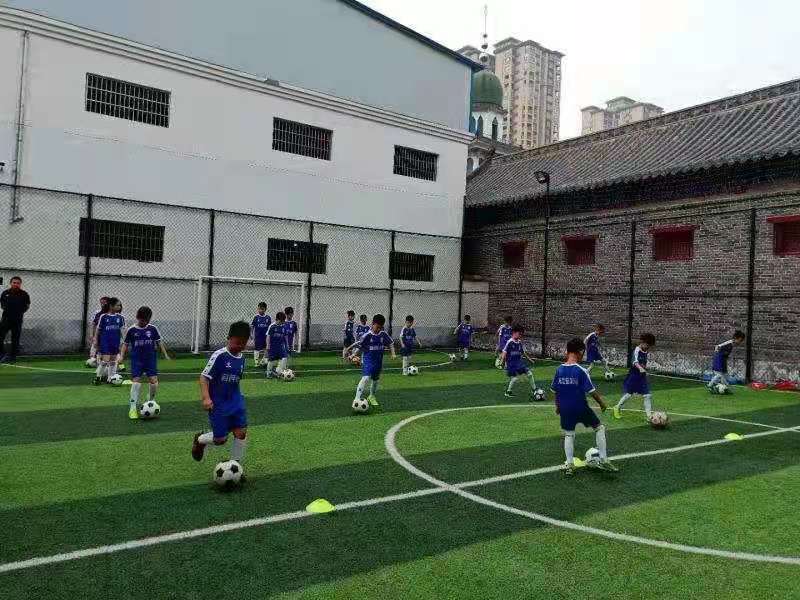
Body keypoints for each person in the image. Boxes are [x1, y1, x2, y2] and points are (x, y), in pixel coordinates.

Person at [551, 337, 618, 476]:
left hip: (565, 408)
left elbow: (556, 391)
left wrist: (557, 406)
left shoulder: (559, 370)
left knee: (569, 434)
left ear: (567, 351)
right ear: (580, 351)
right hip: (580, 407)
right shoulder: (581, 370)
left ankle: (570, 465)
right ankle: (603, 459)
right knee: (599, 428)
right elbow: (592, 391)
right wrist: (602, 403)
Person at [191, 321, 250, 467]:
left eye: (243, 343)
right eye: (237, 343)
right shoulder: (219, 356)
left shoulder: (242, 359)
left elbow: (235, 380)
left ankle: (236, 465)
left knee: (241, 432)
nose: (240, 346)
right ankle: (200, 440)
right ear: (229, 338)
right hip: (218, 404)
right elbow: (204, 377)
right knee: (220, 440)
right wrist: (206, 398)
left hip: (236, 401)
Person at [119, 306, 171, 420]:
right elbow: (125, 344)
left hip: (150, 359)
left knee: (154, 382)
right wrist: (122, 356)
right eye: (142, 320)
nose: (145, 322)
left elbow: (159, 342)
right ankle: (132, 408)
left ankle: (151, 400)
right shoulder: (131, 330)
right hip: (137, 360)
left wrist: (165, 354)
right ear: (138, 317)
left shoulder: (153, 329)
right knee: (136, 382)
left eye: (147, 320)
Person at [346, 314, 396, 407]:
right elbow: (359, 346)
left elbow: (391, 343)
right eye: (377, 327)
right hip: (368, 360)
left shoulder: (383, 334)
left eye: (380, 327)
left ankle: (371, 396)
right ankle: (357, 398)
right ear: (373, 324)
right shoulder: (367, 335)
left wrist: (393, 353)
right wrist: (352, 354)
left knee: (375, 380)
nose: (378, 329)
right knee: (365, 378)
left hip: (378, 362)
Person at [613, 333, 656, 420]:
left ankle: (649, 417)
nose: (648, 347)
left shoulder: (646, 351)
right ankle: (617, 407)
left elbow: (643, 363)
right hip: (633, 376)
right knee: (628, 394)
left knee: (647, 395)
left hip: (642, 377)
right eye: (647, 345)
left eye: (649, 346)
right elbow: (634, 361)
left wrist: (644, 369)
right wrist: (640, 368)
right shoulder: (637, 350)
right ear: (643, 342)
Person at [500, 324, 537, 400]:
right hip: (511, 364)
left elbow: (523, 353)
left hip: (519, 363)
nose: (520, 335)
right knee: (514, 379)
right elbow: (504, 352)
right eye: (519, 334)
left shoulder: (519, 342)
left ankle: (534, 389)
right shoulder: (509, 342)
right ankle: (508, 392)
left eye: (521, 334)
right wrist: (502, 363)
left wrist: (530, 359)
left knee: (530, 374)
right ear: (514, 332)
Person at [93, 297, 125, 384]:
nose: (119, 307)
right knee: (105, 360)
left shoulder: (120, 317)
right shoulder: (103, 316)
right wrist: (95, 339)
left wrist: (124, 341)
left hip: (115, 342)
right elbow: (98, 329)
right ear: (111, 306)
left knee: (113, 361)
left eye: (119, 305)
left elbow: (122, 330)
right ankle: (98, 377)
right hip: (105, 342)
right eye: (117, 305)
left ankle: (110, 378)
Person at [0, 276, 31, 363]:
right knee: (0, 336)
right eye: (14, 283)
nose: (16, 284)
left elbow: (27, 306)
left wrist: (19, 312)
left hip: (17, 320)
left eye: (18, 283)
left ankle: (12, 357)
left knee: (15, 339)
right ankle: (2, 354)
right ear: (11, 283)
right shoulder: (5, 293)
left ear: (20, 284)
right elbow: (2, 305)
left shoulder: (24, 294)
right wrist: (9, 310)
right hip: (6, 319)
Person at [86, 296, 110, 367]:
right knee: (94, 349)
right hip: (98, 335)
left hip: (107, 336)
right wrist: (91, 334)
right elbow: (93, 324)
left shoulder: (111, 314)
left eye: (104, 303)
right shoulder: (97, 313)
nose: (102, 304)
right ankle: (93, 360)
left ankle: (105, 362)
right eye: (101, 303)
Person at [265, 312, 288, 379]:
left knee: (284, 358)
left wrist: (287, 345)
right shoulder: (272, 326)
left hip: (281, 346)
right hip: (273, 347)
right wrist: (268, 346)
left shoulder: (283, 326)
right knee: (271, 360)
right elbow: (268, 336)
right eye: (281, 321)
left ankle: (279, 371)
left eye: (283, 321)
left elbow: (285, 336)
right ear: (277, 319)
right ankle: (269, 373)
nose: (282, 322)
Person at [250, 302, 272, 367]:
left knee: (266, 349)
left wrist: (270, 336)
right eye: (259, 309)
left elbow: (270, 328)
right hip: (258, 337)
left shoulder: (268, 317)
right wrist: (251, 336)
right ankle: (256, 362)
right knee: (257, 349)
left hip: (266, 337)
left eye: (262, 309)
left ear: (265, 309)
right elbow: (252, 327)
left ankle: (263, 361)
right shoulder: (256, 317)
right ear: (258, 309)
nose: (260, 310)